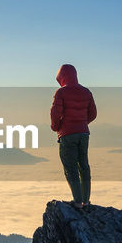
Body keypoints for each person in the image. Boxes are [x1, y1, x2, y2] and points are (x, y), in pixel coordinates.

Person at [50, 63, 96, 208]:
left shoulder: (61, 93)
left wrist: (57, 128)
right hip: (83, 134)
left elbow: (55, 115)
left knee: (70, 168)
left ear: (62, 77)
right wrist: (82, 123)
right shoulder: (86, 92)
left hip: (67, 135)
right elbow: (93, 114)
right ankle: (86, 201)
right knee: (84, 166)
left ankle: (77, 202)